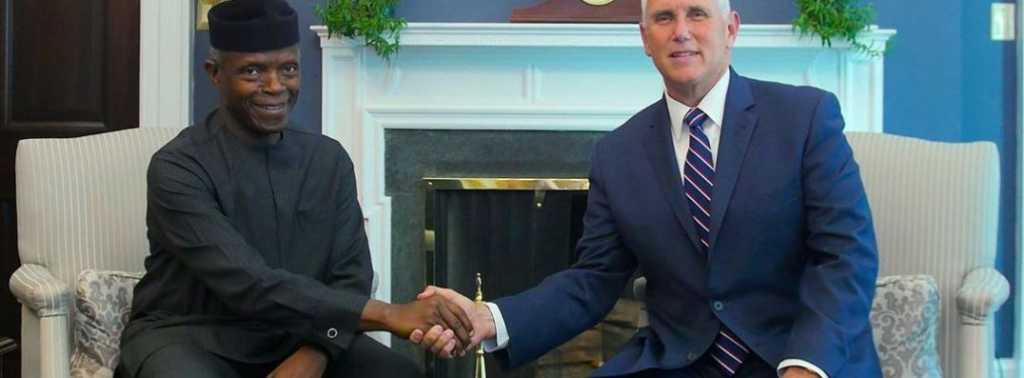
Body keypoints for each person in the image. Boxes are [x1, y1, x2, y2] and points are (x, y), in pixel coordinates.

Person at [411, 0, 880, 377]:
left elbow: (845, 255)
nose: (681, 30)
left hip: (800, 355)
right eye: (664, 17)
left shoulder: (804, 118)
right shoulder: (618, 153)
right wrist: (489, 319)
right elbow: (592, 281)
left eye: (697, 14)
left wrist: (805, 364)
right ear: (644, 39)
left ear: (731, 29)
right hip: (681, 360)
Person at [117, 1, 472, 377]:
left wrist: (314, 355)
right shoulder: (177, 167)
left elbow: (351, 276)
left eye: (287, 69)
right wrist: (388, 313)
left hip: (302, 334)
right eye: (252, 71)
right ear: (215, 74)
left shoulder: (328, 160)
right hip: (191, 336)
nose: (274, 87)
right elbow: (248, 282)